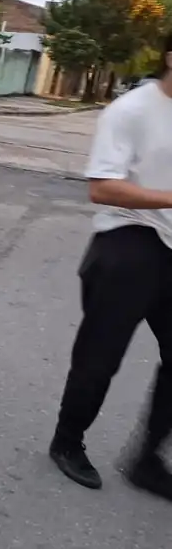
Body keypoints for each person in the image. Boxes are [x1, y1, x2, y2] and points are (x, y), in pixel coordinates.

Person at [49, 32, 172, 500]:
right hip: (128, 240)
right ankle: (67, 442)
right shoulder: (132, 111)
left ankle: (147, 460)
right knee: (100, 357)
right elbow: (102, 187)